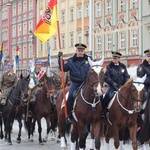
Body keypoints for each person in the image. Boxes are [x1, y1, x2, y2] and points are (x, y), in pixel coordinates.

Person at [58, 43, 91, 124]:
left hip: (86, 83)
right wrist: (60, 59)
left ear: (84, 51)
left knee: (96, 96)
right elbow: (63, 68)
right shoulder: (71, 61)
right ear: (76, 51)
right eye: (79, 50)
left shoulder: (89, 60)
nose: (80, 52)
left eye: (82, 51)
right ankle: (69, 115)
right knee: (70, 96)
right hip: (75, 83)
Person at [101, 51, 130, 119]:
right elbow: (106, 77)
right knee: (107, 96)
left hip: (122, 87)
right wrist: (112, 83)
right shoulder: (109, 67)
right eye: (113, 58)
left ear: (119, 59)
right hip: (112, 87)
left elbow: (126, 76)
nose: (114, 59)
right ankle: (104, 111)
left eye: (115, 58)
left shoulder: (123, 67)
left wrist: (125, 82)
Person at [137, 49, 150, 144]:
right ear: (145, 57)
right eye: (148, 56)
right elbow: (140, 79)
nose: (149, 57)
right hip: (145, 89)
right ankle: (138, 115)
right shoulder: (141, 67)